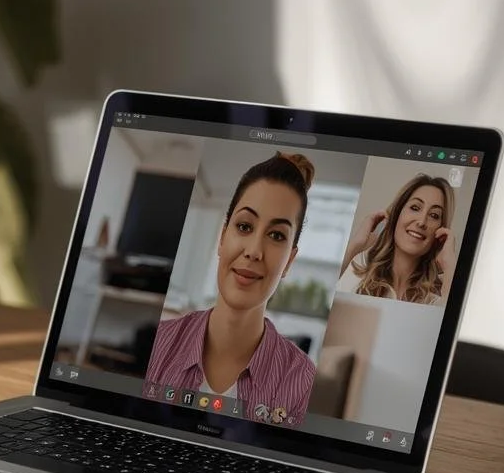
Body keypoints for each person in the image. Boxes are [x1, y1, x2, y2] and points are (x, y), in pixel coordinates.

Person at [144, 151, 319, 425]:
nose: (254, 251)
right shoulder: (158, 344)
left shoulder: (302, 381)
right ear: (223, 237)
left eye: (276, 235)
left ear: (289, 261)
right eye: (245, 226)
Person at [341, 174, 456, 305]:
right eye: (415, 208)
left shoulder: (436, 300)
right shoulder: (354, 276)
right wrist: (355, 246)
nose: (422, 222)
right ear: (397, 214)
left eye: (434, 215)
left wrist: (449, 265)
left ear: (440, 232)